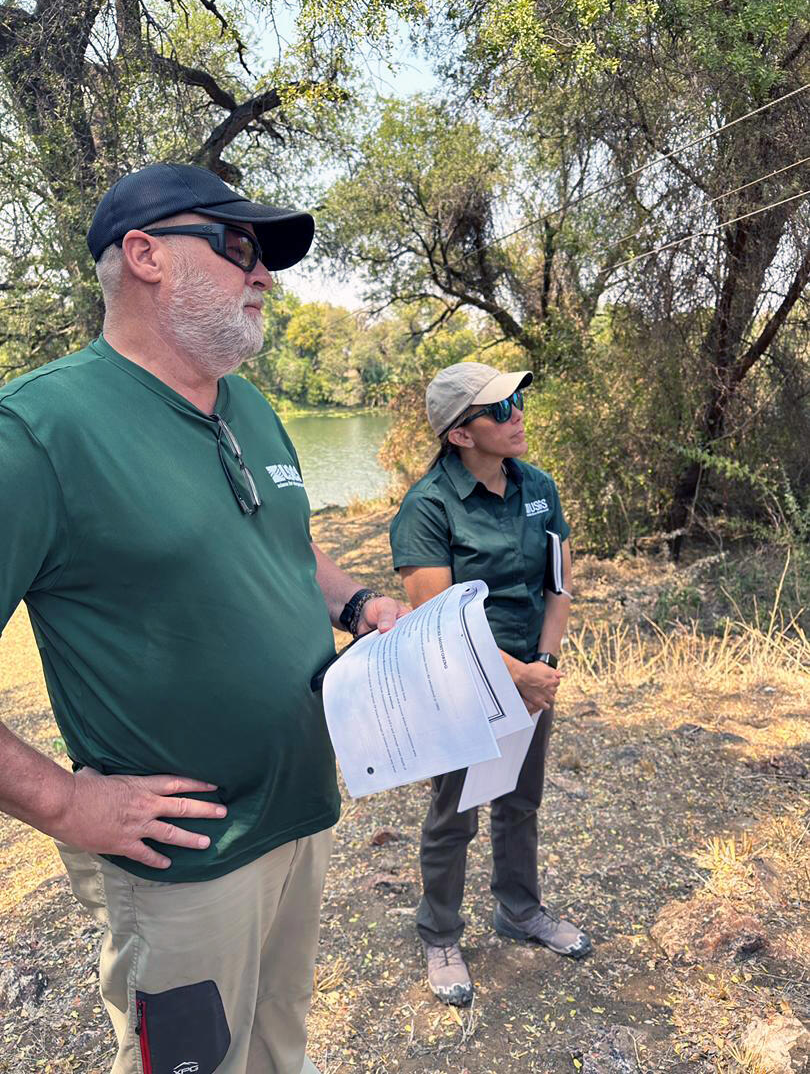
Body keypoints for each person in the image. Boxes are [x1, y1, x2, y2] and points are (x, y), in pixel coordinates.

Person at [0, 162, 408, 1074]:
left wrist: (361, 604)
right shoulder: (40, 431)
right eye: (237, 246)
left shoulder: (251, 408)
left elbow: (287, 550)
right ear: (143, 255)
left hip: (300, 817)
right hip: (185, 860)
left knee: (278, 1049)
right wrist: (67, 803)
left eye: (265, 256)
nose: (264, 274)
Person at [389, 361, 592, 1007]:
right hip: (462, 683)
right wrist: (516, 676)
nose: (518, 416)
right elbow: (437, 618)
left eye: (517, 403)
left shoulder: (539, 487)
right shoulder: (428, 507)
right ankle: (442, 934)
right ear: (460, 434)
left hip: (534, 676)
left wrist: (545, 667)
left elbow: (557, 584)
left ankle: (521, 912)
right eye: (500, 410)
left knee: (520, 802)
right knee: (455, 816)